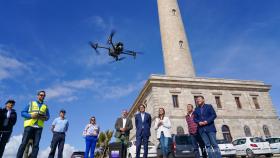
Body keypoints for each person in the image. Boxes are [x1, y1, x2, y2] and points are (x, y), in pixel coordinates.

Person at [17, 90, 50, 158]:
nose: (42, 96)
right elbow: (22, 113)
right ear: (38, 96)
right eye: (41, 95)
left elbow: (48, 116)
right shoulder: (31, 103)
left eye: (44, 95)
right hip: (29, 126)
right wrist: (31, 116)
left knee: (36, 146)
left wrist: (45, 118)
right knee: (24, 143)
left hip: (39, 128)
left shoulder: (45, 106)